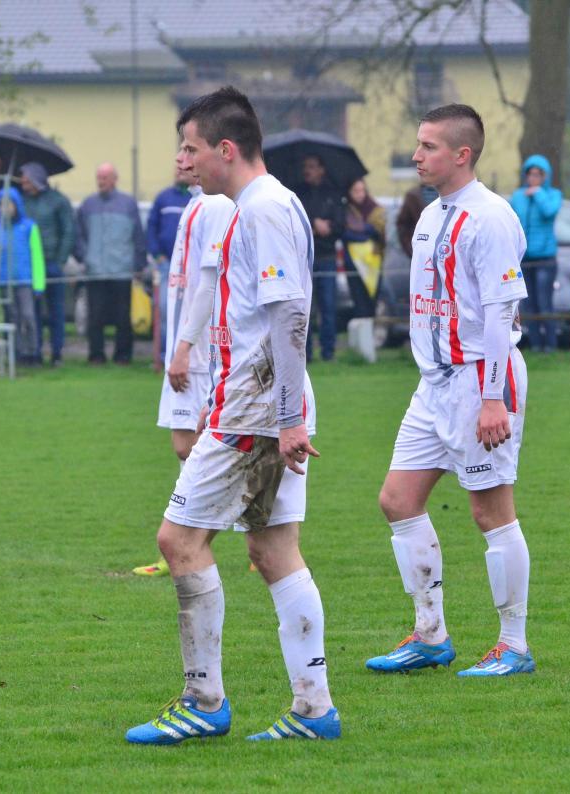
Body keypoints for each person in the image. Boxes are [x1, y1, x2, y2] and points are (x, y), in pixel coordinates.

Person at [125, 86, 340, 745]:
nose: (184, 159)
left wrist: (287, 417)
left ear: (225, 148)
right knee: (273, 551)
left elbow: (290, 315)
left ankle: (204, 701)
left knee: (179, 541)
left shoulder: (264, 208)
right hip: (259, 404)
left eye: (190, 148)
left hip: (257, 409)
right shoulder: (256, 206)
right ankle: (314, 711)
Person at [366, 104, 534, 679]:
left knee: (490, 512)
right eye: (418, 144)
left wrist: (492, 398)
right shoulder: (430, 215)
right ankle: (430, 635)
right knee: (397, 500)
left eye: (429, 146)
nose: (416, 155)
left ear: (462, 154)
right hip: (434, 384)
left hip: (480, 380)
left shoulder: (491, 218)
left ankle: (513, 646)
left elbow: (500, 312)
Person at [132, 156, 236, 577]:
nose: (180, 158)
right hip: (184, 347)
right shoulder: (195, 202)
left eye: (190, 149)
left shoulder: (217, 205)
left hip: (200, 352)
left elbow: (210, 284)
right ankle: (187, 542)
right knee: (185, 446)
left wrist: (185, 348)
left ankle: (199, 540)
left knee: (203, 445)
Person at [74, 163, 146, 364]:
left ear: (115, 179)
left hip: (121, 270)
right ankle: (96, 355)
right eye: (99, 177)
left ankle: (123, 355)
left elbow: (138, 235)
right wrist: (85, 257)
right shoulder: (88, 205)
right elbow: (78, 235)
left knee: (123, 316)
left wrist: (138, 263)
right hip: (95, 270)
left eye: (105, 177)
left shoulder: (128, 204)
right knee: (95, 316)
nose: (101, 181)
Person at [19, 162, 75, 366]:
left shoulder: (58, 201)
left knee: (56, 311)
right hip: (30, 266)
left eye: (26, 179)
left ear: (36, 179)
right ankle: (35, 352)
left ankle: (57, 353)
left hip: (52, 264)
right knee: (32, 312)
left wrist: (60, 260)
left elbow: (68, 231)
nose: (23, 183)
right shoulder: (23, 201)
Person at [508, 155, 562, 353]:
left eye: (538, 174)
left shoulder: (553, 195)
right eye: (530, 174)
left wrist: (538, 193)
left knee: (544, 303)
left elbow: (549, 212)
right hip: (524, 259)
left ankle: (551, 345)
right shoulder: (518, 196)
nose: (534, 178)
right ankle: (535, 345)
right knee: (528, 304)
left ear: (545, 176)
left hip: (545, 258)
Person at [0, 187, 45, 365]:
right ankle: (18, 353)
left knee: (28, 316)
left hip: (25, 281)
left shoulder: (29, 227)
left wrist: (39, 284)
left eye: (8, 204)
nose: (5, 208)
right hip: (5, 281)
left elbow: (36, 255)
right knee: (12, 318)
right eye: (1, 205)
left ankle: (33, 352)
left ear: (16, 205)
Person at [296, 154, 345, 361]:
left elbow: (341, 225)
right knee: (304, 308)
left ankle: (328, 352)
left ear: (321, 170)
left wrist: (329, 227)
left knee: (328, 306)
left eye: (312, 166)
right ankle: (305, 353)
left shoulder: (333, 194)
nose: (307, 170)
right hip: (304, 259)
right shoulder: (298, 194)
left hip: (327, 257)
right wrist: (314, 223)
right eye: (305, 166)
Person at [146, 171, 194, 363]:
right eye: (177, 169)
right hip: (166, 264)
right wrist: (157, 254)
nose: (179, 172)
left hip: (191, 265)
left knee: (192, 310)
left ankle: (187, 356)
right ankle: (166, 355)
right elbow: (151, 226)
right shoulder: (163, 197)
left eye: (184, 169)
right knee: (166, 310)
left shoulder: (198, 198)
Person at [343, 178, 386, 318]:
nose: (360, 194)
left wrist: (363, 230)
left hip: (374, 263)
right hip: (353, 265)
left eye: (362, 190)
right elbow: (345, 233)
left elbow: (380, 232)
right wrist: (365, 232)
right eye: (356, 191)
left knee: (373, 301)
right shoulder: (346, 210)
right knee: (359, 302)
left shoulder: (375, 209)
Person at [396, 183, 439, 259]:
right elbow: (403, 225)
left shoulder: (448, 193)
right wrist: (411, 250)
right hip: (419, 250)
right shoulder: (412, 195)